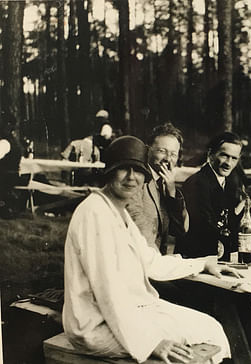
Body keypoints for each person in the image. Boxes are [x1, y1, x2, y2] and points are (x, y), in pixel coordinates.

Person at [62, 135, 237, 364]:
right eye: (122, 169)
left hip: (128, 310)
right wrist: (151, 341)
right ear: (108, 172)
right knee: (197, 341)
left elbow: (151, 261)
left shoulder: (118, 211)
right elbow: (108, 291)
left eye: (137, 170)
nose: (131, 177)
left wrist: (202, 263)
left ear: (146, 175)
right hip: (95, 324)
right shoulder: (94, 212)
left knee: (210, 327)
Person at [175, 132, 244, 259]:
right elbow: (205, 228)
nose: (228, 163)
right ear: (210, 154)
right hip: (197, 258)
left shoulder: (230, 184)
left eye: (234, 158)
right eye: (224, 156)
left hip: (220, 254)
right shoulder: (196, 183)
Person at [127, 123, 188, 255]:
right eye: (162, 151)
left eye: (173, 154)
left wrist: (172, 193)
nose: (168, 159)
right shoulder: (136, 179)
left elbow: (180, 230)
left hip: (157, 262)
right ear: (148, 150)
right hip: (140, 258)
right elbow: (138, 225)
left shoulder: (167, 184)